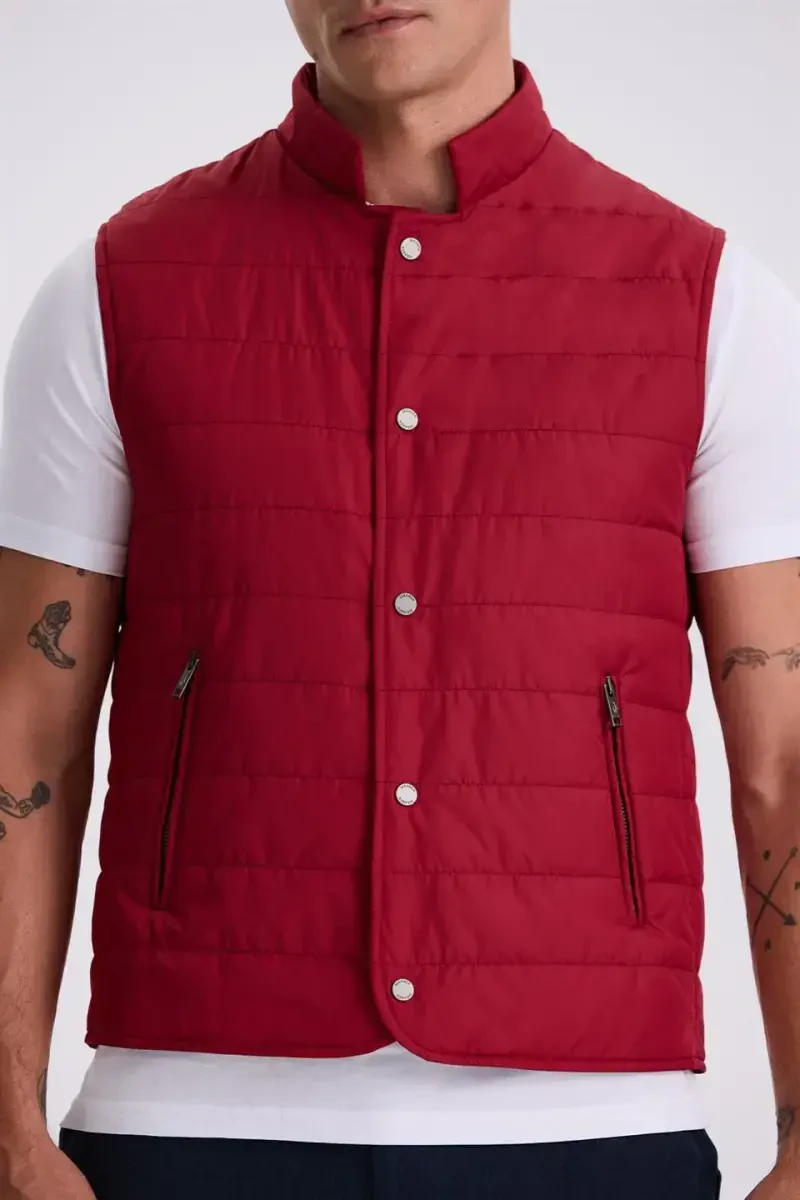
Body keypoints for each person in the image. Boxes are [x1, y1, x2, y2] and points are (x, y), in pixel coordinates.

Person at [1, 1, 799, 1196]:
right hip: (186, 1125)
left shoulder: (709, 302)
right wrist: (9, 1139)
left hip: (586, 1134)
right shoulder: (116, 289)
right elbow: (24, 733)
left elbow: (780, 755)